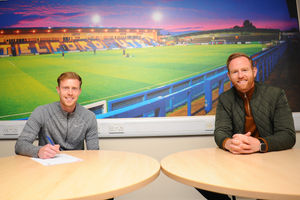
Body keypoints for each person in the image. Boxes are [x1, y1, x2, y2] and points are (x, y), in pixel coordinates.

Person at [196, 52, 296, 200]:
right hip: (238, 161)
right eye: (235, 72)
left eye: (244, 70)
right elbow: (221, 132)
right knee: (199, 176)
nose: (240, 75)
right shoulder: (225, 99)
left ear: (254, 72)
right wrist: (229, 143)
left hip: (270, 161)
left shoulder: (276, 95)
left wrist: (259, 144)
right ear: (229, 77)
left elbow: (288, 135)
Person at [15, 72, 99, 158]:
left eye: (74, 88)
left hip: (76, 167)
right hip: (47, 167)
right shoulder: (41, 112)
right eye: (65, 88)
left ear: (79, 91)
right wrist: (38, 151)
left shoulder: (89, 117)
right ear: (58, 89)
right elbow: (20, 145)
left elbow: (94, 152)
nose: (70, 93)